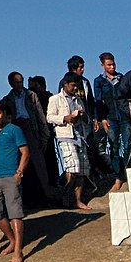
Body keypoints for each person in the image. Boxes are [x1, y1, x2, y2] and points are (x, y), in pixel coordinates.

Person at [0, 99, 29, 262]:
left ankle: (18, 250)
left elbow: (25, 152)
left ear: (3, 113)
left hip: (11, 176)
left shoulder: (14, 130)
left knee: (15, 213)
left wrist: (19, 173)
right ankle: (11, 240)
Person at [1, 72, 54, 205]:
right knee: (21, 165)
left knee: (38, 164)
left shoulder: (31, 95)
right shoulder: (7, 99)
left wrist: (44, 136)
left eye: (21, 82)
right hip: (16, 130)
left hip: (30, 128)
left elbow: (40, 116)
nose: (19, 85)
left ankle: (45, 196)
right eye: (16, 82)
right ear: (11, 84)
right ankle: (25, 199)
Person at [47, 73, 92, 210]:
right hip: (65, 135)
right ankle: (66, 196)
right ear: (65, 84)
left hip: (80, 136)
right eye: (72, 85)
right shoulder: (55, 99)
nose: (75, 88)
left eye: (76, 86)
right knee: (73, 167)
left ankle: (77, 200)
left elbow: (87, 120)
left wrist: (83, 116)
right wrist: (65, 118)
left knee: (82, 170)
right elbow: (49, 117)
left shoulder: (78, 100)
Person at [93, 52, 130, 192]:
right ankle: (118, 176)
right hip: (110, 117)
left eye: (113, 64)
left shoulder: (122, 78)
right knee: (114, 146)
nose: (112, 67)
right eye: (109, 65)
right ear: (103, 65)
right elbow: (98, 101)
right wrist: (101, 118)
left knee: (128, 145)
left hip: (124, 116)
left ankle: (127, 171)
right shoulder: (99, 81)